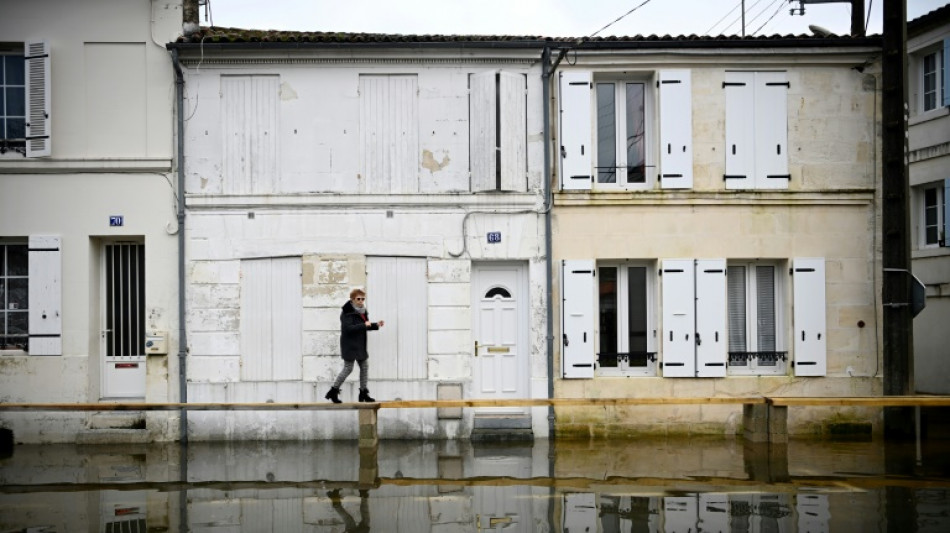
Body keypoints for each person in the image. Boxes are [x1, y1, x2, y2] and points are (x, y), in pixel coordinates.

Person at [325, 288, 384, 403]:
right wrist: (364, 325)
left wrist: (376, 325)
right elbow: (348, 328)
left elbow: (365, 326)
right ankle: (333, 392)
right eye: (358, 299)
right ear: (352, 300)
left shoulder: (363, 311)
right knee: (348, 368)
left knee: (364, 367)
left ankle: (363, 393)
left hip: (360, 344)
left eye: (363, 299)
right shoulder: (346, 312)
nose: (361, 301)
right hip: (349, 345)